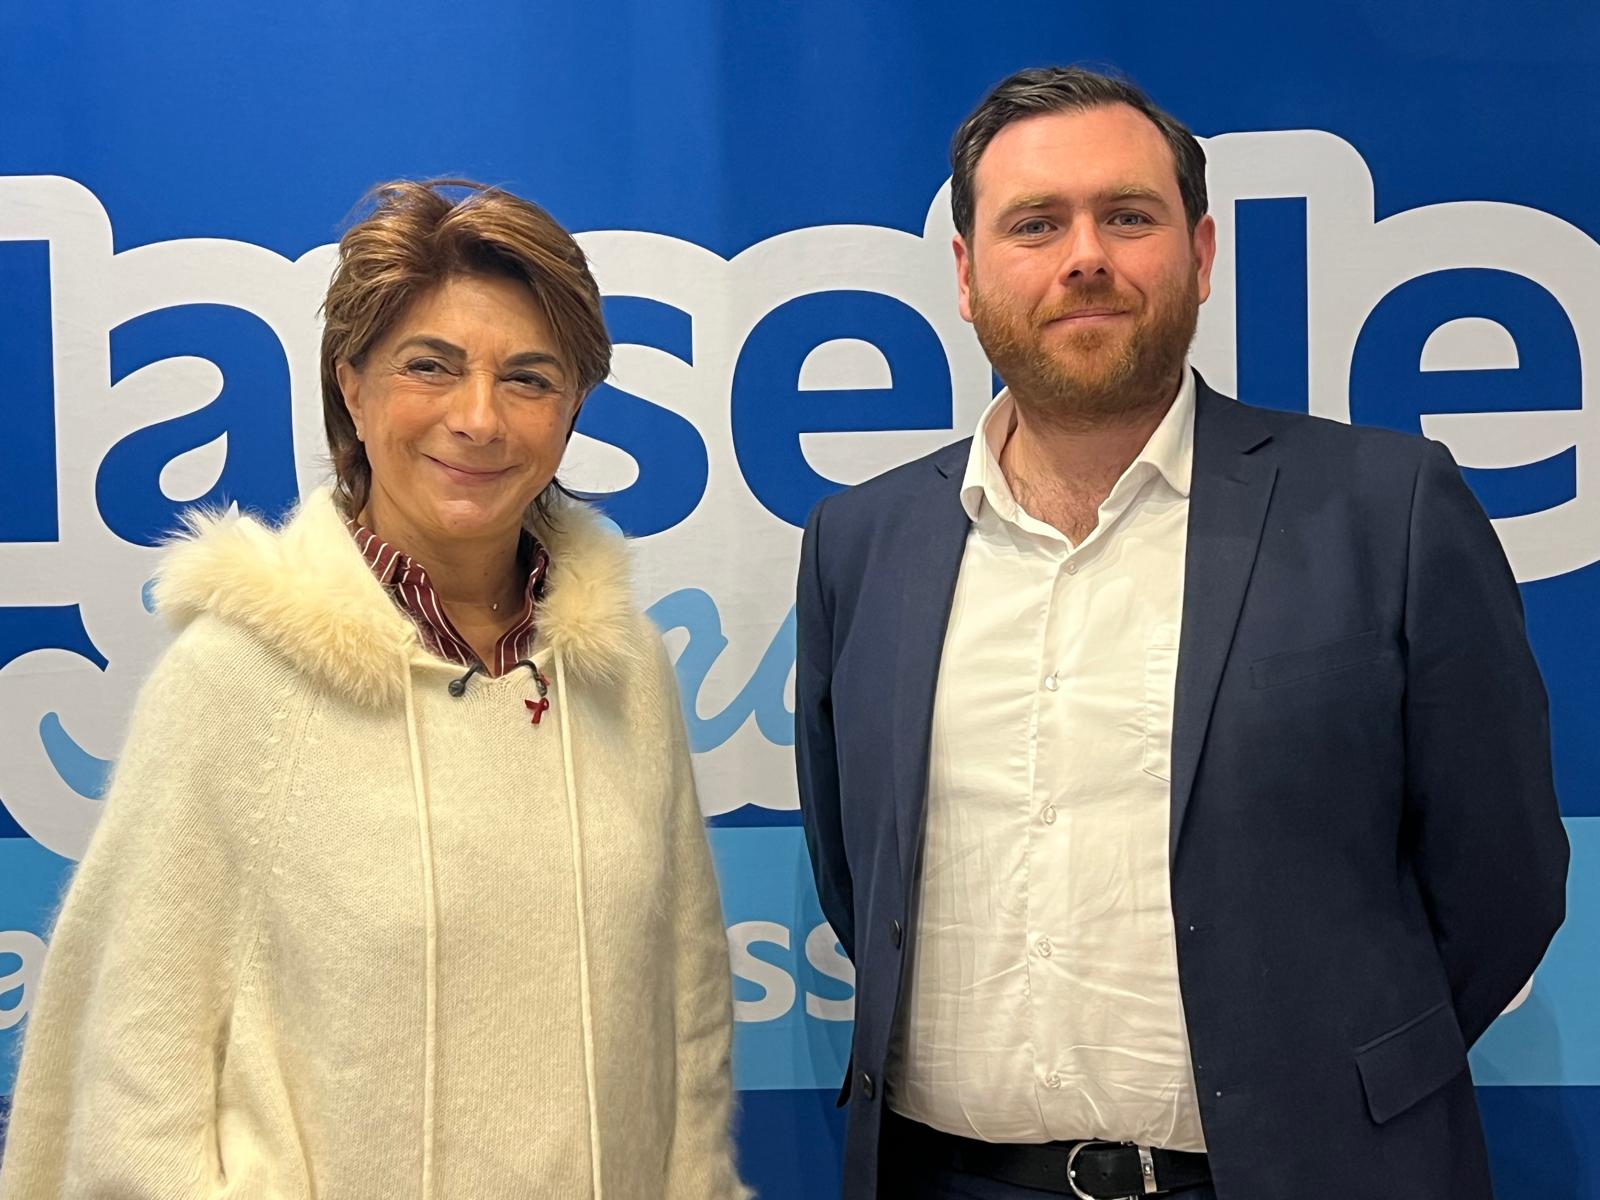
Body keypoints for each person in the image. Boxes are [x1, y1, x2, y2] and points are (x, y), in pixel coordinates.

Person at [795, 67, 1568, 1200]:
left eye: (1127, 216)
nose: (1084, 257)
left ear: (1200, 254)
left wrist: (1328, 1086)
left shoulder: (1384, 508)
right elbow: (858, 880)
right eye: (1035, 224)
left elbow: (1501, 880)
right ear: (965, 275)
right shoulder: (860, 541)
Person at [1, 179, 749, 1200]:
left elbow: (686, 1009)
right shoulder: (235, 680)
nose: (478, 419)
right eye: (429, 367)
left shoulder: (623, 671)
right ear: (351, 388)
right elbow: (133, 1080)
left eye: (528, 379)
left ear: (572, 411)